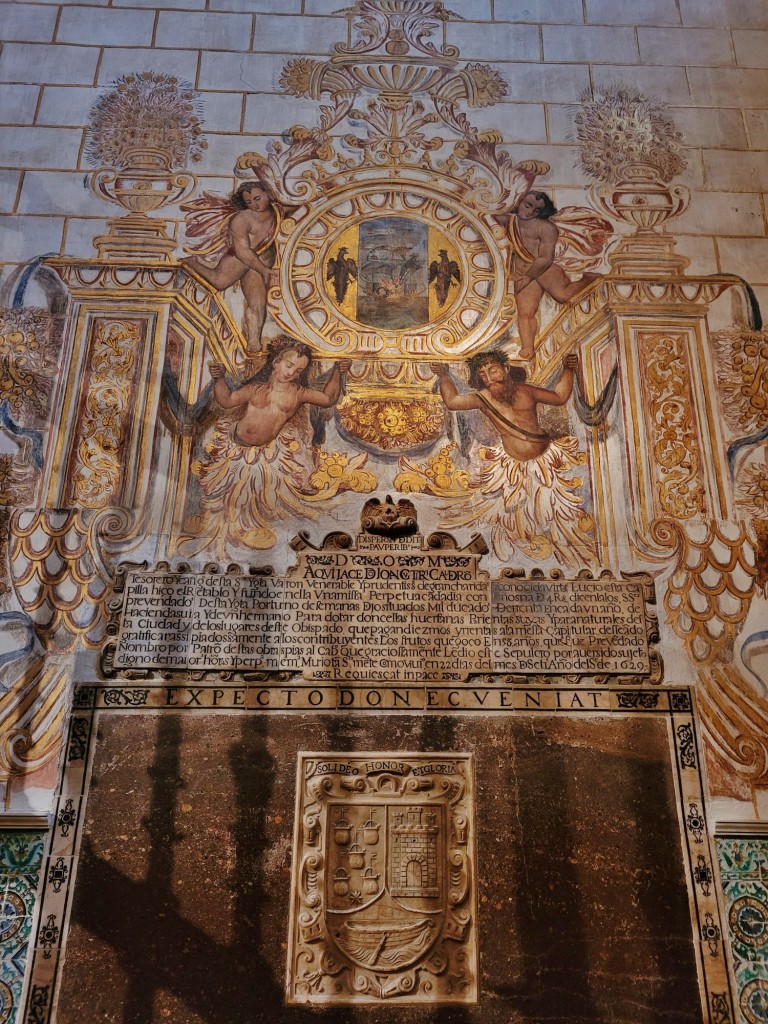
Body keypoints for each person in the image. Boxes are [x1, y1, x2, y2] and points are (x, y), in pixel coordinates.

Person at [430, 350, 579, 462]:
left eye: (493, 371)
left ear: (506, 368)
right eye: (483, 375)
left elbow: (559, 398)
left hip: (547, 454)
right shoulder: (483, 398)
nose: (489, 379)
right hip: (511, 462)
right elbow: (452, 402)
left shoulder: (527, 391)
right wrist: (444, 376)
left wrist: (567, 369)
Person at [182, 181, 279, 352]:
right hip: (240, 260)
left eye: (258, 198)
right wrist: (263, 269)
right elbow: (242, 251)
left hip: (262, 260)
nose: (255, 204)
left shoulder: (278, 211)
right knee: (219, 283)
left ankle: (253, 343)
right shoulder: (241, 219)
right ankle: (194, 263)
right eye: (249, 202)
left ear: (268, 194)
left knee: (258, 303)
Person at [209, 338, 350, 447]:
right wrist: (219, 378)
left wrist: (337, 371)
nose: (291, 373)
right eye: (289, 366)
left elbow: (327, 399)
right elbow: (226, 401)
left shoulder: (298, 393)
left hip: (268, 451)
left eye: (298, 371)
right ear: (276, 362)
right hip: (235, 442)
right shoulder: (254, 390)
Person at [509, 191, 599, 361]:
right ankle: (528, 347)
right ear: (519, 202)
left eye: (536, 210)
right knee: (525, 312)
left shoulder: (546, 228)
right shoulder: (508, 221)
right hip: (521, 269)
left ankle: (587, 279)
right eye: (527, 205)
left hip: (543, 269)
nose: (529, 212)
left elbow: (545, 258)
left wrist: (528, 277)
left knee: (563, 295)